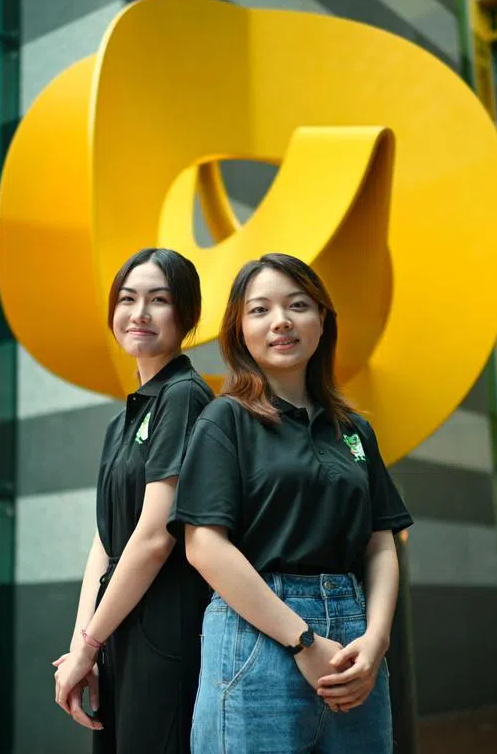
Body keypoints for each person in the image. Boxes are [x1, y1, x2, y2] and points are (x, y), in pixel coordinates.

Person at [168, 253, 413, 754]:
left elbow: (380, 544)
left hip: (353, 643)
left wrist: (377, 640)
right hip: (255, 639)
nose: (280, 321)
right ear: (240, 330)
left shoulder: (354, 430)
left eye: (297, 305)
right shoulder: (225, 420)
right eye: (260, 310)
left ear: (322, 320)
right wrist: (301, 640)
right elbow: (205, 547)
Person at [52, 248, 214, 754]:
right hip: (119, 625)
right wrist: (85, 643)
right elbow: (106, 539)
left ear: (185, 315)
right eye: (127, 299)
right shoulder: (122, 420)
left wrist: (92, 643)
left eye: (158, 300)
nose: (139, 313)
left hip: (164, 624)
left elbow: (152, 539)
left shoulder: (185, 396)